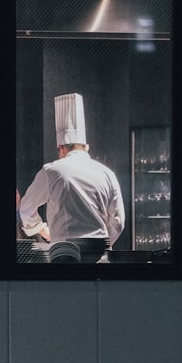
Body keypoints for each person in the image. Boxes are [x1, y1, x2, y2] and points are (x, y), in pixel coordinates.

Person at [18, 93, 125, 248]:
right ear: (86, 147)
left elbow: (27, 207)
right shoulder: (107, 173)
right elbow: (118, 221)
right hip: (100, 257)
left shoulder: (51, 171)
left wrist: (40, 228)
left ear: (61, 148)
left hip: (65, 254)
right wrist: (101, 244)